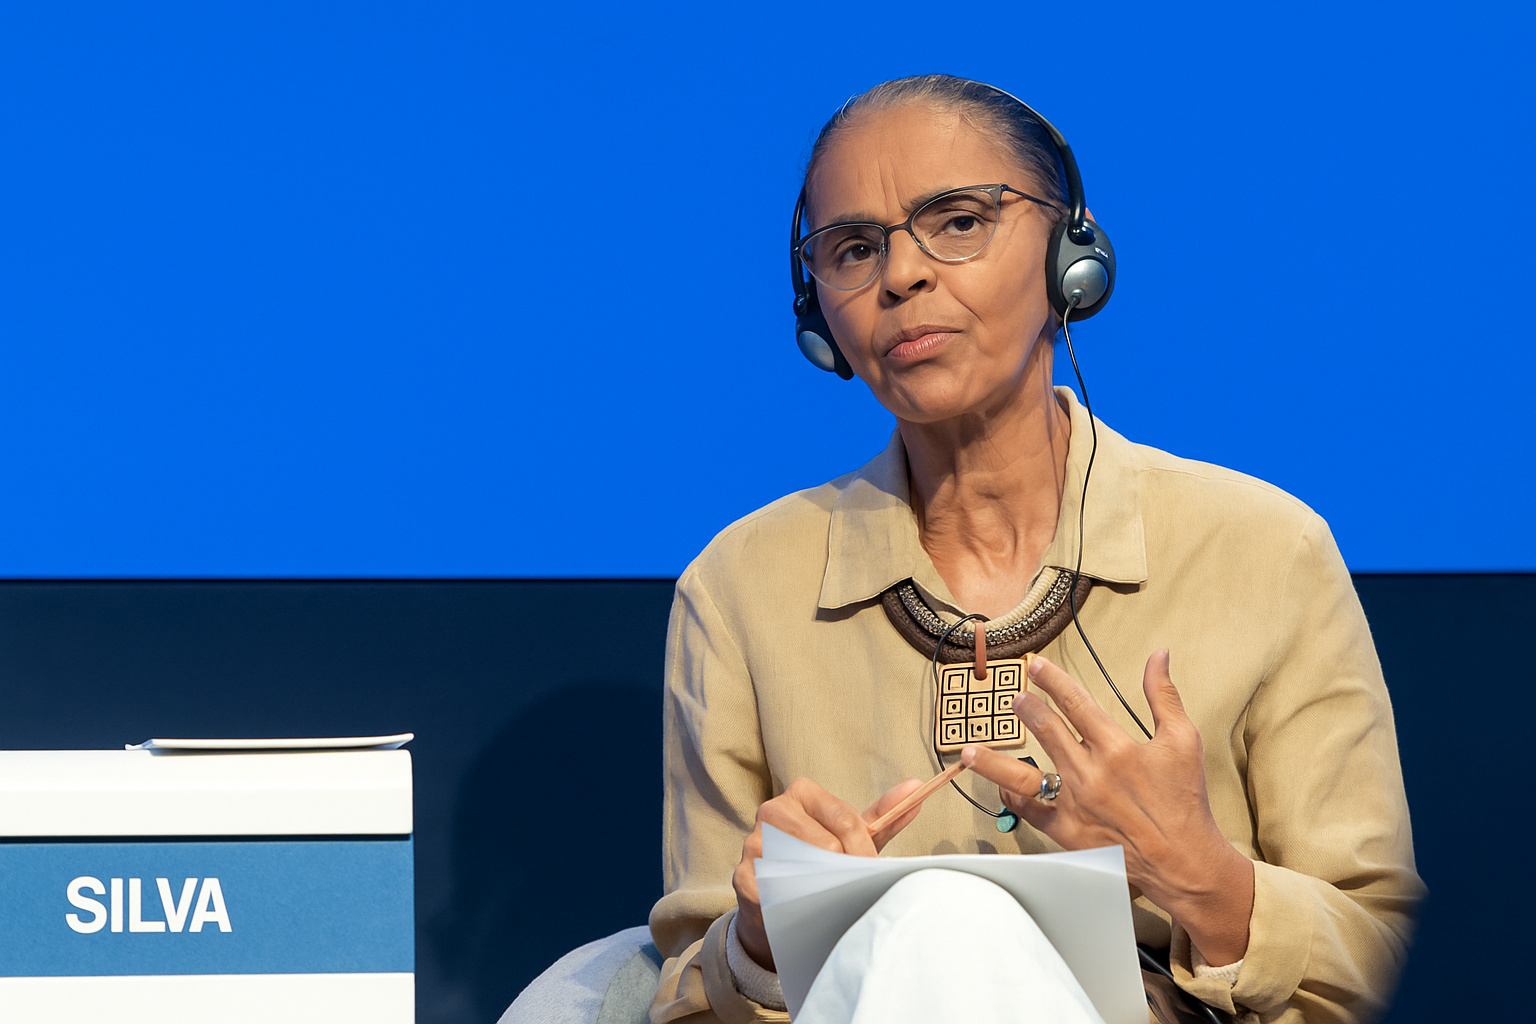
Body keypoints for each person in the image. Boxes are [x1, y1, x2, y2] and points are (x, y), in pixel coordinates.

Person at [648, 75, 1422, 1024]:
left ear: (1072, 258)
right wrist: (760, 942)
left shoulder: (1265, 550)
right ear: (823, 317)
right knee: (937, 920)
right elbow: (681, 989)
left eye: (959, 222)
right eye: (853, 249)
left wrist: (1200, 876)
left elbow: (1378, 951)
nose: (901, 276)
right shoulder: (738, 588)